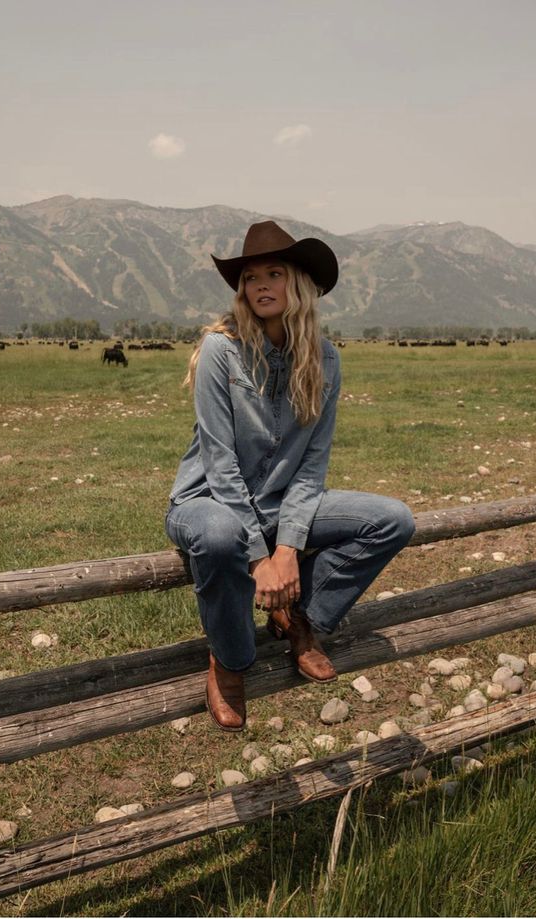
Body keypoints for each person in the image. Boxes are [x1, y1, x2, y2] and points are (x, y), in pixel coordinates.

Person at [165, 220, 415, 732]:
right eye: (250, 276)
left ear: (297, 284)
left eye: (273, 273)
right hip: (207, 498)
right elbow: (219, 461)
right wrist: (261, 557)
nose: (260, 284)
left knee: (393, 520)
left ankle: (302, 620)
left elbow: (311, 465)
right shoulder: (221, 349)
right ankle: (231, 661)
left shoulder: (325, 359)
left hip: (283, 504)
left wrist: (287, 549)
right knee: (219, 536)